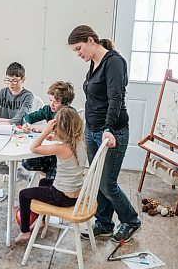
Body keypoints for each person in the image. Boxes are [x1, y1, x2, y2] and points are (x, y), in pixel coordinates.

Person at [68, 24, 141, 243]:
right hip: (93, 130)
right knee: (97, 178)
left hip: (112, 131)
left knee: (108, 183)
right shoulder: (94, 63)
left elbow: (116, 98)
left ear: (91, 40)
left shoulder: (114, 62)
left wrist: (108, 129)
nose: (78, 54)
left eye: (79, 48)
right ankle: (104, 223)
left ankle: (131, 220)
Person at [15, 108, 86, 243]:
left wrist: (46, 130)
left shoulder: (60, 149)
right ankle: (41, 221)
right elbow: (67, 142)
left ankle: (24, 232)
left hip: (62, 196)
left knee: (23, 194)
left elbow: (34, 148)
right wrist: (55, 137)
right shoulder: (81, 142)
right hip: (76, 195)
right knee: (44, 182)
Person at [21, 81, 75, 182]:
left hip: (63, 156)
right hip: (51, 151)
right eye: (50, 100)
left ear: (66, 103)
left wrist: (43, 129)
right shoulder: (48, 109)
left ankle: (53, 178)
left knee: (51, 171)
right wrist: (27, 124)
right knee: (27, 162)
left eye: (56, 102)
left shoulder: (70, 114)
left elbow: (65, 134)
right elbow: (28, 117)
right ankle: (50, 177)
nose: (52, 104)